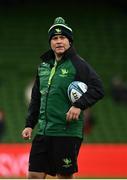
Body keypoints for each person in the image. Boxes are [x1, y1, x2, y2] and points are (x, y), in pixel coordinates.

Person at [22, 17, 104, 179]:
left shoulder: (78, 65)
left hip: (67, 132)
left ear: (69, 41)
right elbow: (36, 98)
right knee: (33, 175)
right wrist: (30, 124)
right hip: (44, 131)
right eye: (55, 38)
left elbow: (98, 88)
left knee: (64, 176)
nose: (59, 41)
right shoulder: (43, 67)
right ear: (50, 42)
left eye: (62, 37)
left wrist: (79, 105)